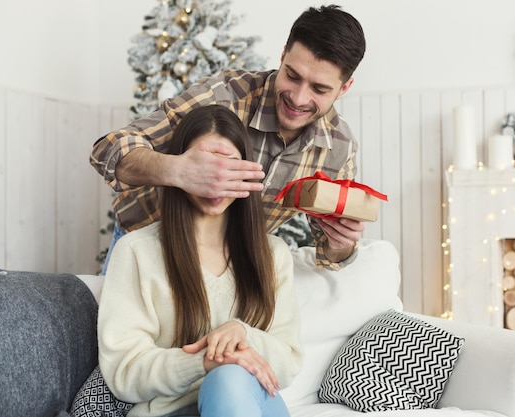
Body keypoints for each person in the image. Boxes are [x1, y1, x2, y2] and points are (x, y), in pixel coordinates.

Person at [91, 4, 367, 273]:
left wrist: (340, 243)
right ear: (282, 56)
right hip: (142, 245)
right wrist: (178, 170)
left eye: (319, 89)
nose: (298, 98)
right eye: (292, 76)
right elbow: (108, 150)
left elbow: (330, 255)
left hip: (221, 266)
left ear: (344, 88)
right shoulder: (222, 97)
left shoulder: (338, 150)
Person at [87, 105, 303, 417]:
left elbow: (288, 363)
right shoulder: (136, 252)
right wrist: (204, 360)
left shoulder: (272, 254)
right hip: (171, 411)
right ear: (180, 167)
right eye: (203, 165)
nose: (215, 178)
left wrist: (242, 335)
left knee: (231, 379)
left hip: (252, 401)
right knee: (227, 376)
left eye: (227, 167)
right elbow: (124, 371)